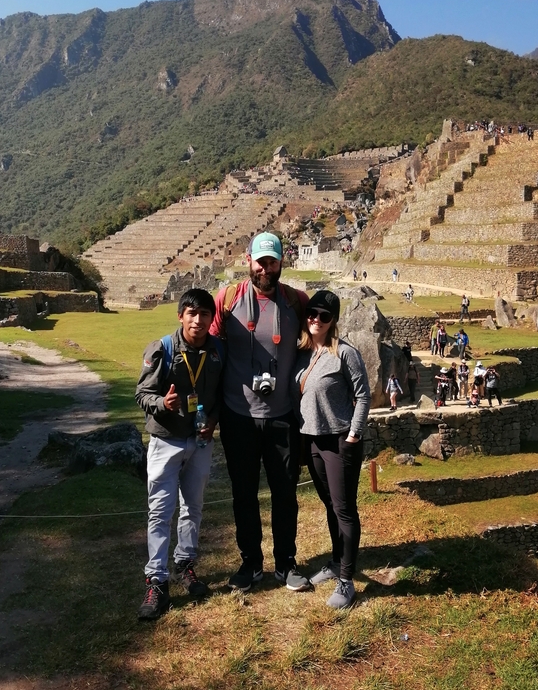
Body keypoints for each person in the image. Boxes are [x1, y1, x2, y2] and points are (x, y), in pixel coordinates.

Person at [210, 232, 310, 593]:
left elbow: (320, 341)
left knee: (285, 493)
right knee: (244, 493)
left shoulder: (297, 301)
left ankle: (286, 564)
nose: (266, 268)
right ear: (247, 261)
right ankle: (250, 563)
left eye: (272, 261)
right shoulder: (228, 299)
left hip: (282, 415)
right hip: (239, 416)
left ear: (282, 262)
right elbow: (209, 347)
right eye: (260, 261)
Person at [134, 289, 225, 621]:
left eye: (204, 314)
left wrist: (211, 421)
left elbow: (217, 397)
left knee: (194, 508)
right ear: (180, 316)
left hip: (200, 442)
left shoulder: (217, 352)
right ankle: (156, 582)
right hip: (166, 442)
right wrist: (163, 404)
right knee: (160, 512)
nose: (198, 321)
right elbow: (142, 393)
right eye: (192, 313)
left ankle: (185, 565)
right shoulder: (163, 350)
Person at [294, 291, 371, 609]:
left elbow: (363, 395)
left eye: (324, 316)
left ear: (333, 321)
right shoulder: (302, 352)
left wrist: (354, 434)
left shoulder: (345, 353)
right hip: (312, 440)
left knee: (344, 509)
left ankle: (347, 581)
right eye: (312, 313)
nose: (316, 319)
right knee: (329, 505)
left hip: (339, 440)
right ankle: (337, 562)